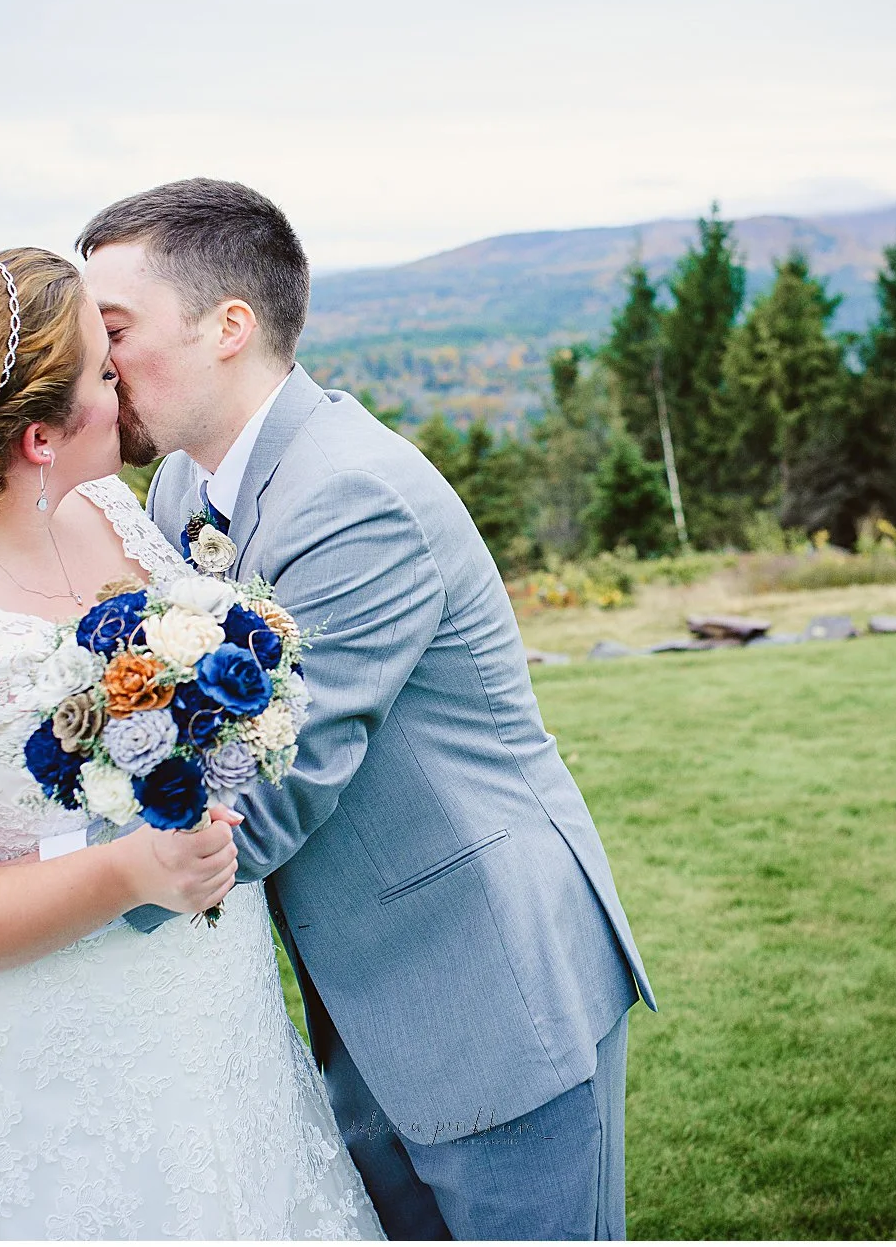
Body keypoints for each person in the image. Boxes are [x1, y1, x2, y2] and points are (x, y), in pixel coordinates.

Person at [63, 179, 656, 1240]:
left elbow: (273, 796)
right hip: (357, 1002)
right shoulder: (172, 496)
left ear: (227, 327)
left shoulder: (350, 497)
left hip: (485, 989)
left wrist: (39, 896)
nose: (98, 368)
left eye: (113, 331)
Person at [0, 244, 383, 1240]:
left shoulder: (105, 506)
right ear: (36, 439)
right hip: (41, 1074)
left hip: (204, 1020)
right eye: (104, 373)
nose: (125, 387)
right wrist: (125, 873)